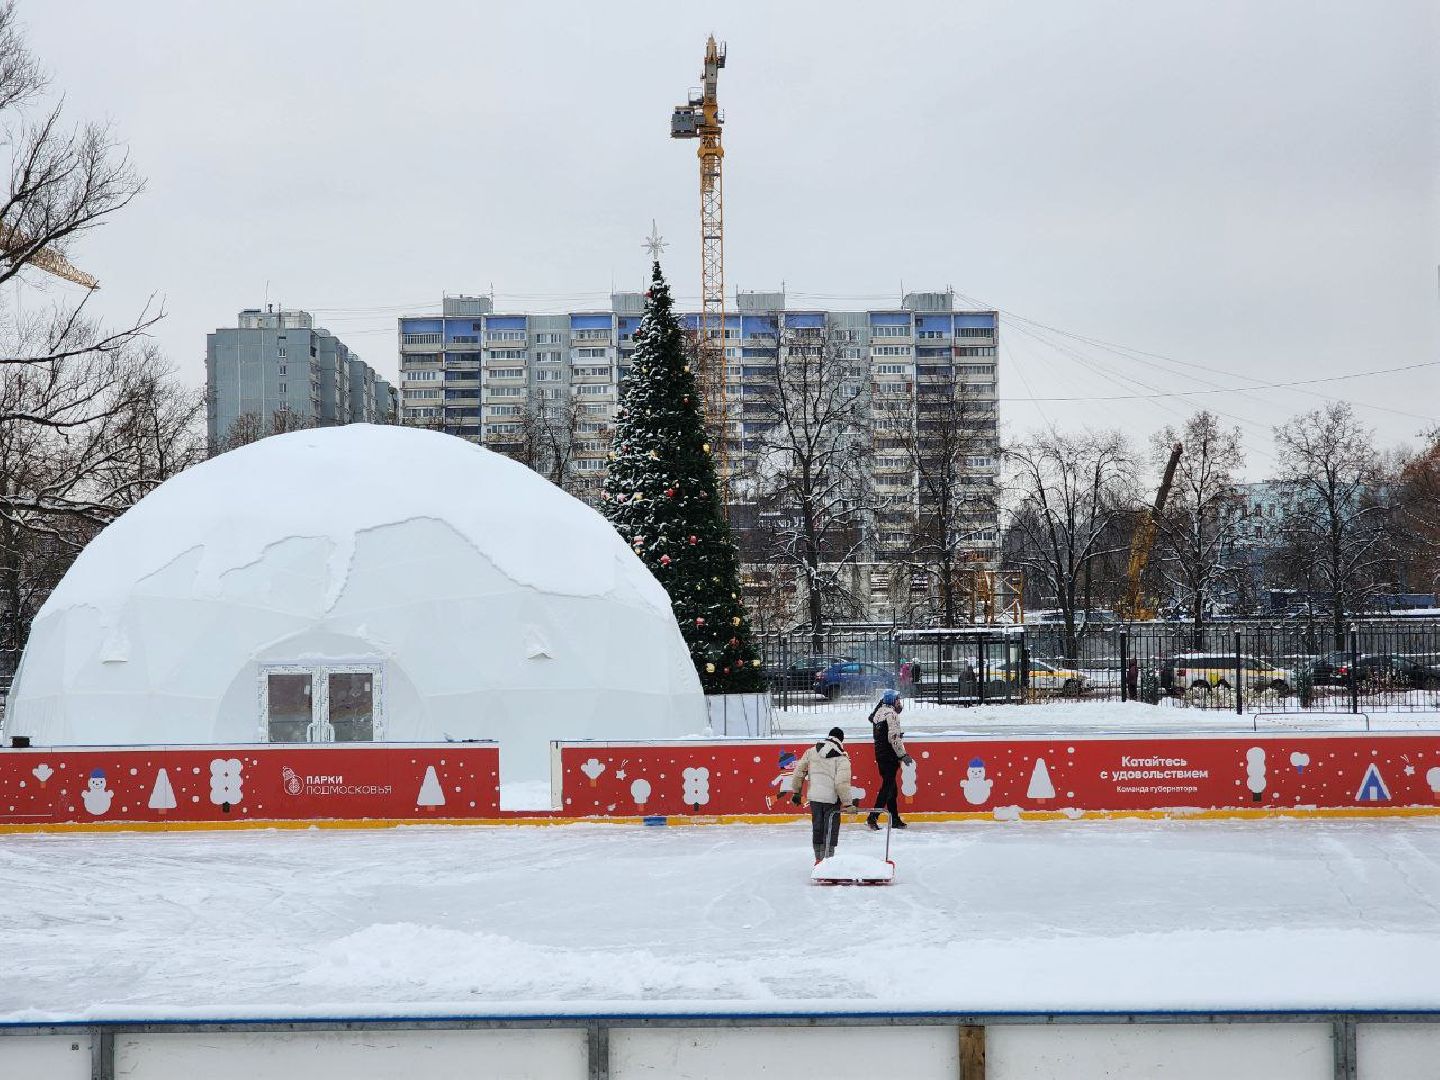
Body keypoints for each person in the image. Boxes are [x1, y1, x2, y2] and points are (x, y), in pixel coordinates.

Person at [790, 726, 858, 863]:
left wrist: (796, 792)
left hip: (814, 798)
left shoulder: (811, 751)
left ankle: (818, 860)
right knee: (830, 830)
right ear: (841, 740)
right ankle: (828, 861)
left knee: (818, 828)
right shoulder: (842, 758)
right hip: (831, 800)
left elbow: (798, 772)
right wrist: (848, 803)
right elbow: (841, 783)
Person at [867, 689, 913, 830]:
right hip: (889, 755)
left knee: (892, 788)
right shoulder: (891, 714)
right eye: (898, 700)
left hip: (880, 754)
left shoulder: (878, 713)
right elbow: (893, 737)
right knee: (887, 788)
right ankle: (873, 817)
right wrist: (903, 755)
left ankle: (895, 819)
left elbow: (871, 719)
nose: (900, 703)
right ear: (892, 700)